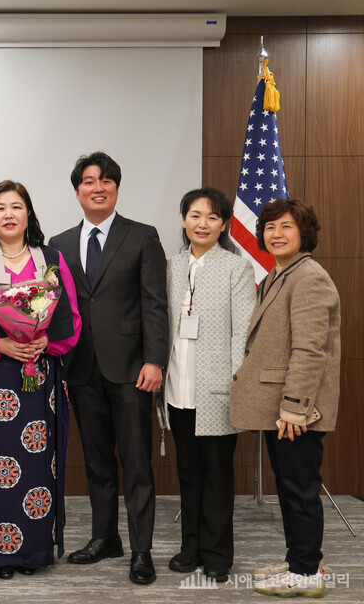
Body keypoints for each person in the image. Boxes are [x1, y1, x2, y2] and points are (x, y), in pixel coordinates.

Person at [0, 181, 81, 579]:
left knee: (39, 465)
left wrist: (43, 340)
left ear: (29, 215)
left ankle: (34, 552)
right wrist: (0, 344)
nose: (8, 214)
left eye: (16, 207)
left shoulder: (52, 259)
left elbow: (70, 316)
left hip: (39, 379)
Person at [48, 152, 168, 585]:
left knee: (136, 463)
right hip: (80, 368)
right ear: (77, 190)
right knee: (98, 463)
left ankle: (141, 550)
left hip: (133, 368)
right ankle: (105, 538)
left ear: (116, 188)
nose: (97, 187)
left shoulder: (141, 236)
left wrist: (155, 360)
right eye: (88, 181)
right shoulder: (59, 245)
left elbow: (155, 303)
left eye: (105, 181)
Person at [229, 199, 341, 599]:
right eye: (271, 227)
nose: (276, 234)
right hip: (280, 409)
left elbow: (311, 350)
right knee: (291, 487)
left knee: (300, 489)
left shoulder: (309, 276)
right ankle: (299, 560)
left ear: (304, 233)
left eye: (286, 227)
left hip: (296, 410)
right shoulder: (279, 275)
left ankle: (307, 572)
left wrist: (295, 406)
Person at [164, 187, 255, 583]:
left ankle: (217, 553)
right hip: (176, 388)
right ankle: (190, 546)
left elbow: (241, 335)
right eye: (195, 215)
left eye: (213, 217)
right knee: (188, 471)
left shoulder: (236, 269)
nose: (203, 223)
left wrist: (236, 382)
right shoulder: (169, 266)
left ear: (224, 225)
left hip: (217, 389)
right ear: (184, 220)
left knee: (218, 473)